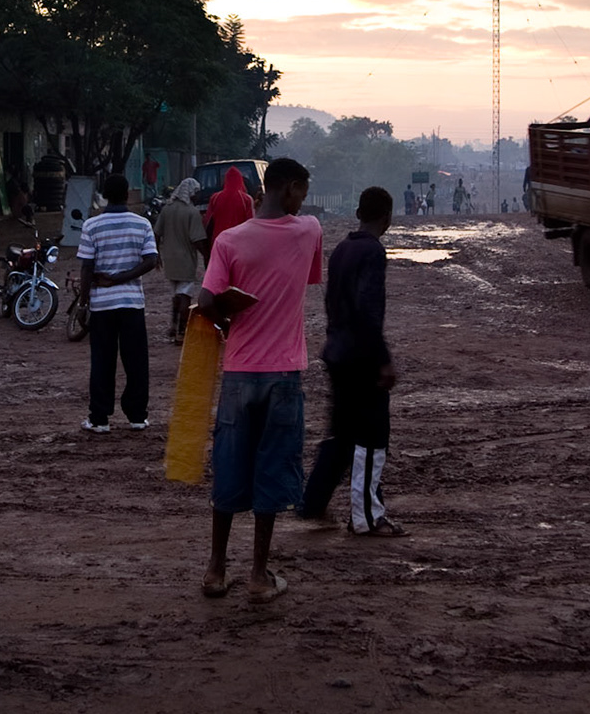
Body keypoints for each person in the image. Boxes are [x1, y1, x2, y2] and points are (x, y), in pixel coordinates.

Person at [194, 156, 323, 605]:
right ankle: (257, 574)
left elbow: (206, 301)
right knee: (273, 466)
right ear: (288, 188)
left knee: (229, 464)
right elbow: (306, 277)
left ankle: (215, 569)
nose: (303, 201)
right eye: (302, 192)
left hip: (238, 371)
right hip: (283, 373)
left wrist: (226, 324)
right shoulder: (309, 231)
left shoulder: (228, 241)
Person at [301, 187, 404, 536]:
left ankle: (313, 502)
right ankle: (367, 518)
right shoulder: (373, 251)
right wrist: (383, 359)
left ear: (359, 213)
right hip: (362, 357)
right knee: (373, 438)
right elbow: (368, 310)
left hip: (337, 352)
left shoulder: (343, 248)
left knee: (342, 434)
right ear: (387, 218)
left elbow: (334, 304)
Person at [76, 174, 159, 432]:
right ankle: (137, 416)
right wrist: (123, 277)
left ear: (104, 195)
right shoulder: (142, 224)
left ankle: (99, 418)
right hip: (132, 303)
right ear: (126, 195)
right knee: (136, 361)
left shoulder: (91, 225)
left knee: (102, 361)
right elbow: (151, 261)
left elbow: (87, 268)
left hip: (102, 306)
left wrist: (83, 303)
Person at [153, 177, 208, 343]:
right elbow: (197, 240)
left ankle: (173, 325)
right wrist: (208, 255)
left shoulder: (167, 209)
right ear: (191, 193)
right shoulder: (192, 212)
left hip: (169, 259)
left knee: (176, 294)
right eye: (196, 192)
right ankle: (182, 331)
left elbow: (156, 233)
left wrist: (156, 253)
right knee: (185, 295)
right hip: (186, 259)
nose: (198, 196)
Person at [205, 165, 255, 243]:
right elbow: (251, 223)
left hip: (219, 240)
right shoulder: (246, 199)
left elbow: (207, 222)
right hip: (239, 241)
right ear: (240, 180)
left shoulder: (215, 198)